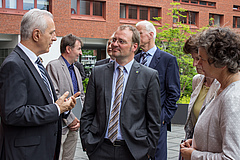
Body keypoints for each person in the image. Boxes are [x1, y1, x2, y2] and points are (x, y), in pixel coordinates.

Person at [0, 9, 79, 160]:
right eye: (52, 33)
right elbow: (13, 114)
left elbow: (39, 101)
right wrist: (56, 108)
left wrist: (63, 108)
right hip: (26, 154)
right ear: (36, 35)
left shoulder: (36, 62)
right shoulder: (14, 65)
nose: (55, 39)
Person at [80, 25, 161, 160]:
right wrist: (87, 142)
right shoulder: (98, 72)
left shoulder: (149, 76)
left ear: (134, 47)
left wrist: (148, 150)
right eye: (114, 40)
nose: (114, 44)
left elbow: (154, 119)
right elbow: (88, 111)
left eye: (121, 41)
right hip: (100, 148)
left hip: (133, 150)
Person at [180, 27, 240, 159]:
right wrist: (197, 143)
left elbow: (232, 157)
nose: (198, 64)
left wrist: (194, 155)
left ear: (221, 63)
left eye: (202, 59)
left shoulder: (233, 98)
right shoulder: (223, 88)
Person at [135, 20, 180, 160]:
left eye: (139, 33)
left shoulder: (168, 60)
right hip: (135, 122)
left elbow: (174, 93)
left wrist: (163, 118)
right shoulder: (134, 59)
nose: (135, 36)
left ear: (151, 35)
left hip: (156, 123)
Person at [46, 34, 85, 160]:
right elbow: (54, 96)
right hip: (60, 125)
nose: (81, 53)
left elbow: (81, 95)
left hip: (75, 126)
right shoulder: (53, 66)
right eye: (78, 49)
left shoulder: (76, 70)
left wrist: (79, 120)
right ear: (68, 49)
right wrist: (70, 119)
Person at [182, 36, 220, 140]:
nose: (195, 64)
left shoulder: (223, 85)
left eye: (198, 59)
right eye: (193, 59)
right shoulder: (197, 80)